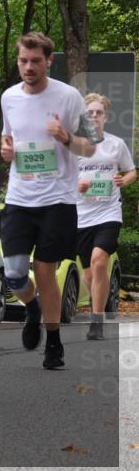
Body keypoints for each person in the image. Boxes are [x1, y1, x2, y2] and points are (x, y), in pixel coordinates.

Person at [0, 32, 96, 370]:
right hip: (19, 197)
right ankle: (32, 308)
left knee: (44, 271)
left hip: (58, 199)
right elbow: (7, 141)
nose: (28, 67)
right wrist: (6, 150)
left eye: (35, 61)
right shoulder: (8, 97)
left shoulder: (69, 97)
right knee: (13, 274)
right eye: (23, 61)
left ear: (49, 61)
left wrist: (65, 136)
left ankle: (53, 342)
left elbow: (91, 146)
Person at [75, 93, 136, 340]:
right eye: (90, 113)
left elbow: (131, 171)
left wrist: (124, 180)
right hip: (81, 216)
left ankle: (96, 321)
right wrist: (77, 185)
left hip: (109, 213)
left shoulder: (116, 144)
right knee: (89, 274)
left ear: (106, 117)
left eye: (99, 113)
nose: (94, 116)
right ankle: (98, 305)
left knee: (100, 261)